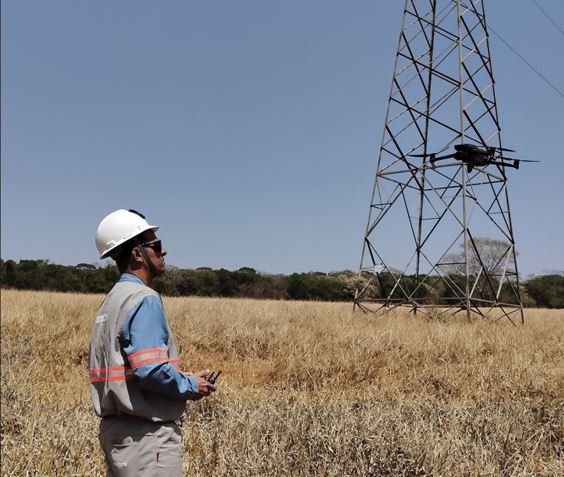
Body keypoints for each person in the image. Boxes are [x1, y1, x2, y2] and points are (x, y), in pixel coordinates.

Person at [89, 209, 216, 476]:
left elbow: (132, 368)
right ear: (138, 254)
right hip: (146, 440)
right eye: (155, 246)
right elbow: (150, 370)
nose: (163, 251)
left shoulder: (112, 300)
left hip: (117, 436)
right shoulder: (144, 298)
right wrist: (192, 384)